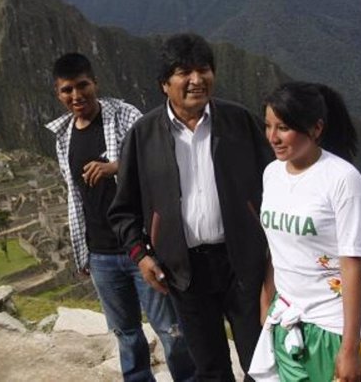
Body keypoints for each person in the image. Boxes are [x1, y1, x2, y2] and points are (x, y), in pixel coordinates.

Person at [109, 33, 272, 381]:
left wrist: (335, 188)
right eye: (185, 72)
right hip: (185, 272)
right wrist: (142, 255)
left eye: (204, 69)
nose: (197, 80)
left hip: (243, 264)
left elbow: (281, 175)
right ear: (164, 84)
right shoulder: (143, 135)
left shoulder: (239, 122)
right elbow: (123, 211)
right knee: (209, 367)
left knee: (262, 361)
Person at [45, 52, 195, 381]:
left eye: (82, 86)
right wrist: (83, 252)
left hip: (140, 248)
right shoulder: (64, 136)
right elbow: (75, 195)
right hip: (100, 253)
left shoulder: (126, 116)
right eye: (67, 90)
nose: (76, 96)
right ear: (58, 94)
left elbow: (158, 161)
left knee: (170, 331)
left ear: (94, 83)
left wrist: (115, 167)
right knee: (126, 333)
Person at [248, 82, 361, 381]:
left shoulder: (343, 180)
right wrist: (267, 301)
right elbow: (277, 246)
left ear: (316, 129)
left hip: (333, 326)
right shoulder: (272, 174)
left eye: (283, 127)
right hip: (288, 321)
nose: (273, 137)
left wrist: (348, 349)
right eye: (268, 126)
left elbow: (351, 266)